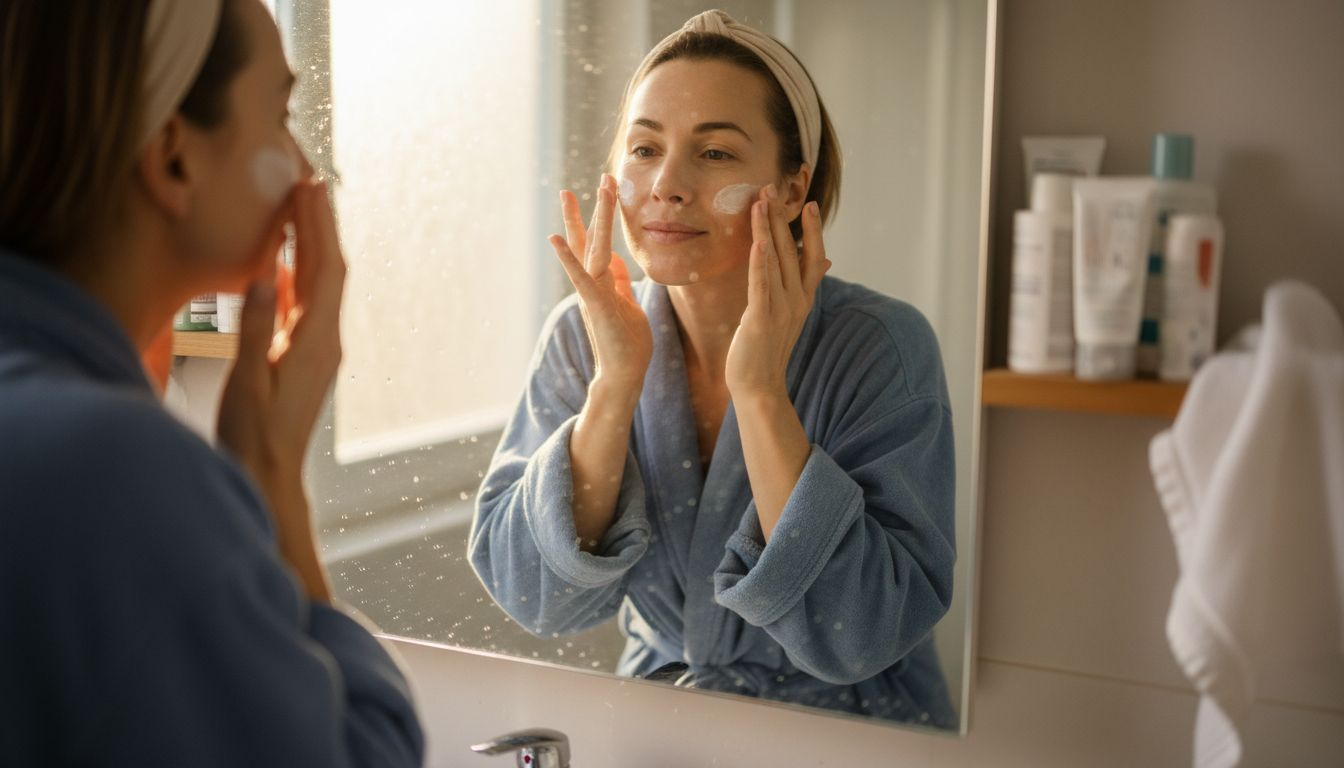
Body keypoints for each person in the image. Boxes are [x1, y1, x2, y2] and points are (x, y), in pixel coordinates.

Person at [470, 10, 957, 726]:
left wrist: (760, 391)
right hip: (661, 728)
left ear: (793, 190)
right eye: (643, 148)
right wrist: (614, 386)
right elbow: (532, 596)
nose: (666, 183)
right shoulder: (583, 337)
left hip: (850, 741)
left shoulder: (878, 347)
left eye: (716, 154)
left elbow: (865, 631)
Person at [0, 1, 424, 764]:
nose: (306, 168)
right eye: (280, 112)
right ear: (173, 157)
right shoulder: (112, 469)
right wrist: (270, 477)